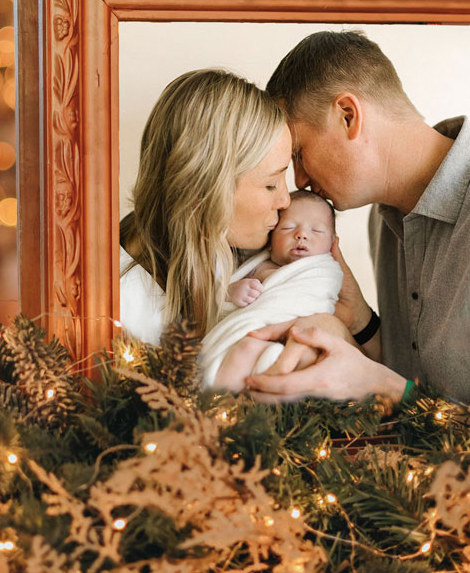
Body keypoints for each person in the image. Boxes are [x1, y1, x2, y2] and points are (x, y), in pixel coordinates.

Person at [249, 28, 469, 405]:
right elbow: (423, 382)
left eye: (298, 154)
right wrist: (360, 322)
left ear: (348, 115)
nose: (298, 181)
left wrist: (386, 390)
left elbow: (403, 392)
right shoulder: (380, 221)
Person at [119, 68, 350, 369]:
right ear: (203, 189)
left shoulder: (239, 256)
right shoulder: (123, 304)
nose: (284, 201)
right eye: (270, 184)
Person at [202, 191, 343, 392]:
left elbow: (322, 307)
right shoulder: (257, 268)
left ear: (332, 243)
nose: (302, 235)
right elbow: (217, 298)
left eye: (316, 230)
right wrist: (232, 292)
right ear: (270, 239)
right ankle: (214, 406)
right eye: (288, 227)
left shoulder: (323, 274)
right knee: (245, 350)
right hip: (248, 336)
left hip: (296, 344)